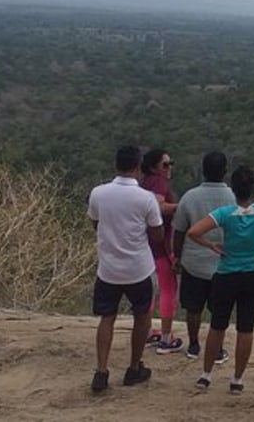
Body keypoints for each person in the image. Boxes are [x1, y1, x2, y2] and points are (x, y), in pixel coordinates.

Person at [187, 166, 254, 393]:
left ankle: (206, 375)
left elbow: (193, 232)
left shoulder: (224, 213)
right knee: (246, 328)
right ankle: (237, 380)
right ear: (253, 188)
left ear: (233, 190)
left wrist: (212, 245)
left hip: (227, 274)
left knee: (217, 325)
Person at [86, 145, 163, 393]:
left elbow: (95, 223)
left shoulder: (98, 193)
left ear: (116, 165)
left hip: (108, 269)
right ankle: (133, 368)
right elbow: (157, 234)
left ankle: (101, 370)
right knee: (142, 318)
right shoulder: (145, 198)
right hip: (138, 268)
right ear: (138, 167)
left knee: (107, 318)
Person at [172, 151, 235, 363]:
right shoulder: (232, 197)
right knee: (219, 310)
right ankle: (216, 349)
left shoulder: (190, 197)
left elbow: (179, 230)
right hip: (223, 263)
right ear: (225, 172)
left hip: (193, 262)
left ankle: (194, 345)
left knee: (193, 307)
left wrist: (177, 257)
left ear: (203, 171)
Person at [139, 148, 182, 354]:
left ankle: (146, 331)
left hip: (145, 245)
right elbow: (158, 206)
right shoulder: (158, 183)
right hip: (161, 246)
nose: (169, 167)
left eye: (170, 163)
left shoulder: (144, 183)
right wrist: (180, 207)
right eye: (165, 164)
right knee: (168, 290)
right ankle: (166, 338)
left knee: (150, 292)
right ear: (153, 167)